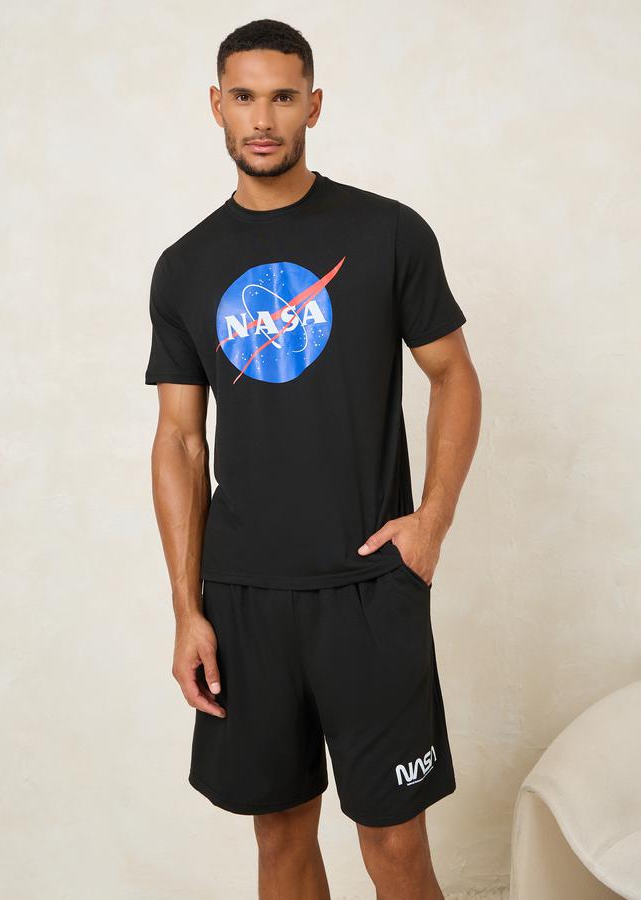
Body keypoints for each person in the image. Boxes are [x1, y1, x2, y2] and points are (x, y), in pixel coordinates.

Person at [144, 17, 481, 900]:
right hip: (246, 599)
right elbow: (179, 440)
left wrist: (431, 523)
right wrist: (187, 609)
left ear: (314, 106)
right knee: (281, 837)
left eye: (283, 97)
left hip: (369, 586)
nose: (263, 119)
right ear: (216, 105)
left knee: (395, 845)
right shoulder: (185, 266)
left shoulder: (387, 233)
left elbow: (454, 375)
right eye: (244, 97)